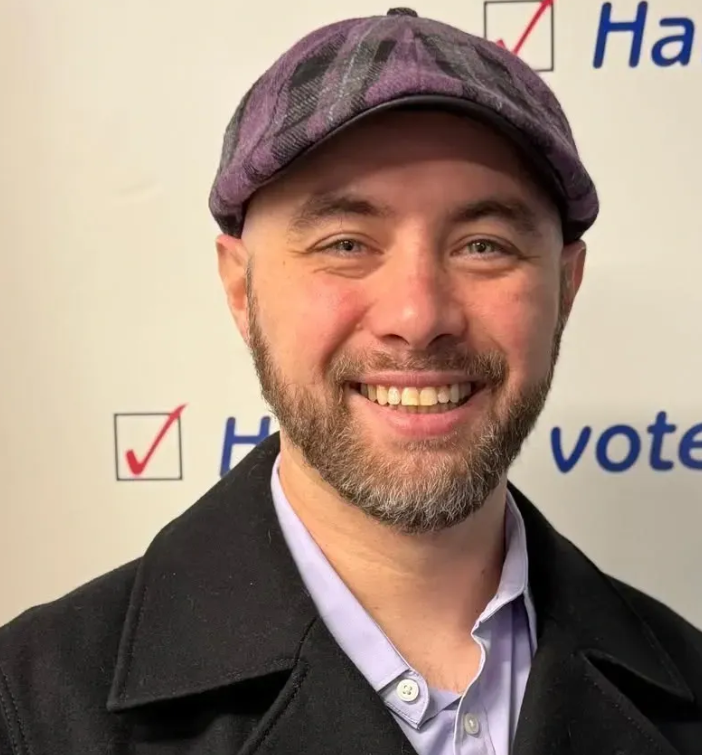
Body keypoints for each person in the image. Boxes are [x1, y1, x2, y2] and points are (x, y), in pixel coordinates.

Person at [1, 7, 701, 754]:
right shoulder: (34, 708)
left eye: (484, 244)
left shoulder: (688, 688)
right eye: (345, 243)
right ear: (241, 289)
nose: (418, 316)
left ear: (566, 287)